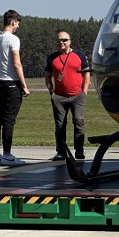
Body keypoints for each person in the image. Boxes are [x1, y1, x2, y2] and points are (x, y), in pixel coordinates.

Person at [0, 9, 30, 166]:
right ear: (12, 22)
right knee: (9, 119)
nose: (17, 27)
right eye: (17, 24)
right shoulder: (13, 39)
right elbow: (17, 63)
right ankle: (8, 154)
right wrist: (24, 85)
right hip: (12, 82)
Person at [44, 30, 90, 161]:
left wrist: (85, 90)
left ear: (70, 41)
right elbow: (47, 76)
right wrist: (51, 91)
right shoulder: (52, 58)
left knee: (78, 122)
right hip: (59, 97)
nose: (61, 43)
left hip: (78, 96)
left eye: (64, 40)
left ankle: (79, 151)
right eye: (59, 41)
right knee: (60, 125)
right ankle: (61, 151)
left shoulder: (79, 55)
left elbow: (86, 73)